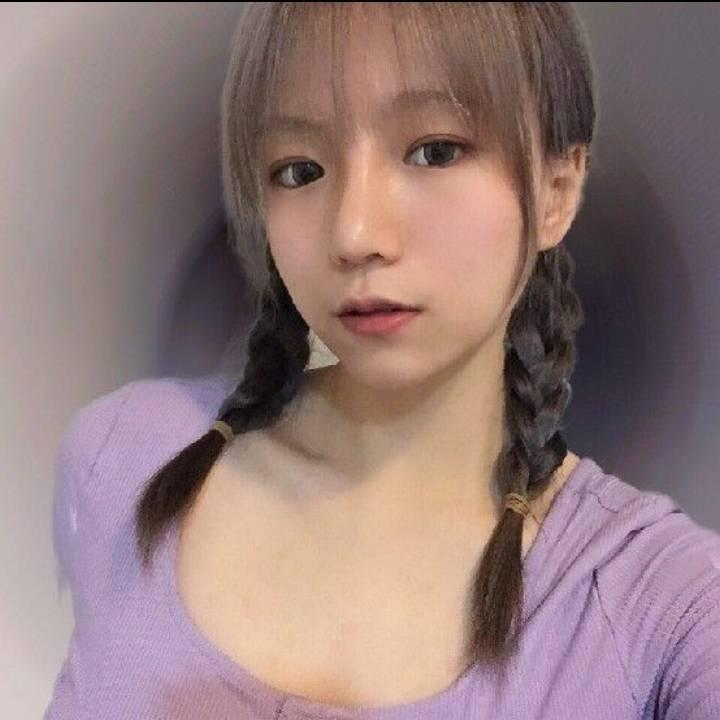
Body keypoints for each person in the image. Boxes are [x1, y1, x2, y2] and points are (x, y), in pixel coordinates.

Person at [45, 3, 720, 719]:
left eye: (435, 151)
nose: (355, 232)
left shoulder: (659, 604)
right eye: (299, 170)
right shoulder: (120, 458)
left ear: (558, 190)